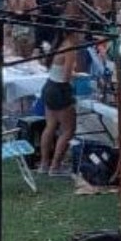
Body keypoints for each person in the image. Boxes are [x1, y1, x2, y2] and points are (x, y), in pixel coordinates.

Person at [37, 22, 84, 177]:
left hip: (49, 86)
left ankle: (44, 164)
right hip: (60, 90)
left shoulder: (57, 45)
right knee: (68, 130)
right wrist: (77, 75)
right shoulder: (70, 48)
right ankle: (55, 165)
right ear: (73, 33)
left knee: (50, 126)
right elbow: (66, 75)